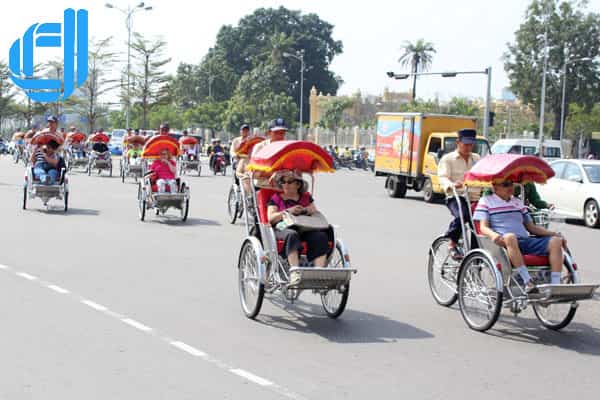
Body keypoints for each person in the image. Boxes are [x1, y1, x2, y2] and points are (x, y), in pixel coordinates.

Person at [473, 179, 568, 289]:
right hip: (504, 242)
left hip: (524, 240)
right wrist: (493, 235)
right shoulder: (486, 201)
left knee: (556, 241)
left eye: (511, 184)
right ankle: (527, 281)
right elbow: (483, 227)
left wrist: (554, 234)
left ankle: (555, 285)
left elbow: (531, 227)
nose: (510, 187)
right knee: (510, 237)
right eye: (505, 184)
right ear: (495, 187)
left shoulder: (517, 202)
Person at [267, 170, 329, 273]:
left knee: (320, 236)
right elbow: (271, 218)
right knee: (292, 235)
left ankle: (319, 272)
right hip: (283, 228)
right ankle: (295, 272)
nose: (285, 184)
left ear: (298, 184)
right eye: (283, 182)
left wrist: (303, 210)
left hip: (304, 227)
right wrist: (288, 211)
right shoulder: (276, 198)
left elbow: (313, 210)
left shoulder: (306, 197)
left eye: (289, 182)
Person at [438, 128, 481, 260]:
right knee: (463, 215)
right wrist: (452, 184)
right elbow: (443, 177)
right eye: (465, 144)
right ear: (458, 142)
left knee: (481, 222)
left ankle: (476, 254)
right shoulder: (448, 159)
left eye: (471, 144)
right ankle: (452, 242)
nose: (468, 147)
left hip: (475, 197)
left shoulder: (477, 159)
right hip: (457, 196)